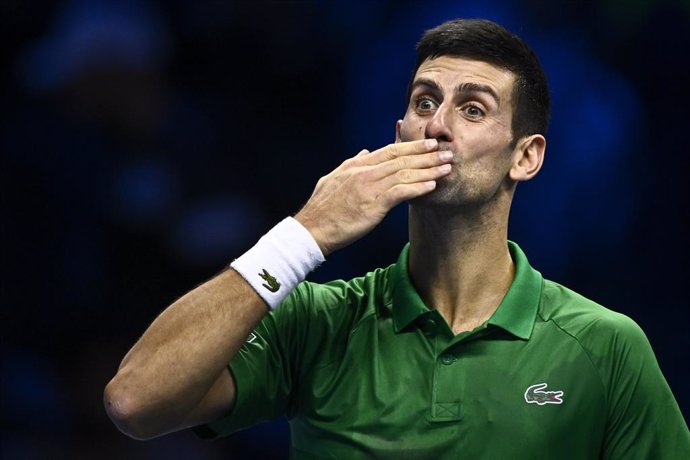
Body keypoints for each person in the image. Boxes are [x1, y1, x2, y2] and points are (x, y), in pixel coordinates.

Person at [104, 18, 690, 458]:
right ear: (398, 134)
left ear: (526, 157)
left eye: (474, 110)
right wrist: (305, 234)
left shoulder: (605, 346)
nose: (437, 125)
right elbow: (135, 401)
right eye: (425, 102)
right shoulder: (316, 321)